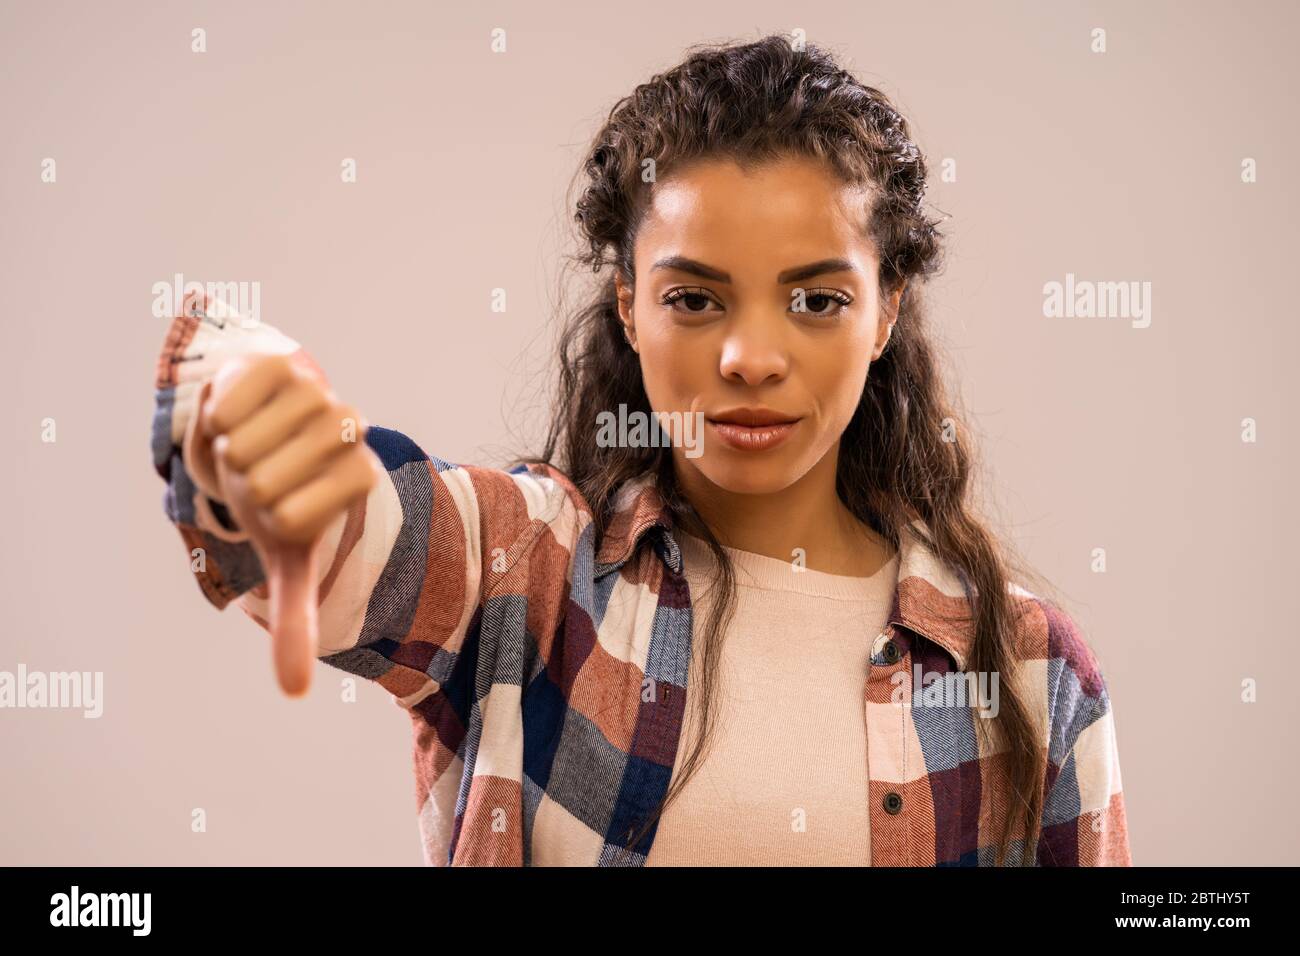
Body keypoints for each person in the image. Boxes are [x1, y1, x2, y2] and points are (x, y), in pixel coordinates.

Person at [150, 34, 1130, 866]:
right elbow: (363, 516)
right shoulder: (527, 575)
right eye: (695, 298)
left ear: (885, 312)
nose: (750, 357)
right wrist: (247, 422)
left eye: (817, 299)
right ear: (629, 305)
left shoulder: (1030, 674)